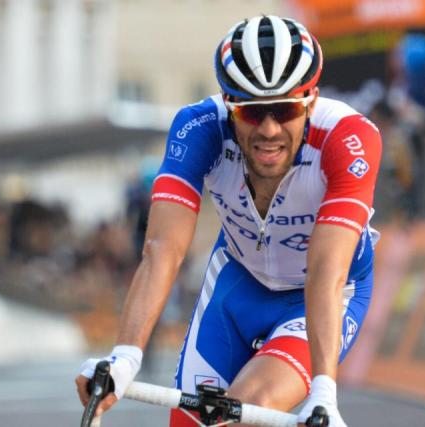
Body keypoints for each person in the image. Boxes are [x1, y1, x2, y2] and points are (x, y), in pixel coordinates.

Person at [75, 15, 381, 427]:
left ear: (311, 100)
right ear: (228, 106)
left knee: (242, 412)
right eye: (252, 113)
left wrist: (324, 390)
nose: (270, 129)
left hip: (322, 296)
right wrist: (125, 355)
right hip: (236, 281)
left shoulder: (349, 139)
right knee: (191, 424)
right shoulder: (200, 127)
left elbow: (326, 272)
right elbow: (163, 249)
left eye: (285, 109)